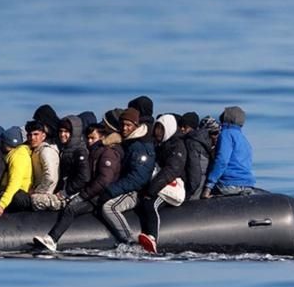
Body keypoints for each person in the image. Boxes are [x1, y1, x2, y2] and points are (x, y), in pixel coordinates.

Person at [33, 123, 123, 252]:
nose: (89, 141)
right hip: (91, 193)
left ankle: (52, 239)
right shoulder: (92, 152)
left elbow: (103, 180)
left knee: (71, 209)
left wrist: (83, 195)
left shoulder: (107, 154)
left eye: (93, 138)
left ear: (102, 137)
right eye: (88, 138)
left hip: (99, 196)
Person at [98, 107, 155, 245]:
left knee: (109, 207)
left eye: (128, 125)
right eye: (122, 124)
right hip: (125, 187)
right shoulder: (129, 142)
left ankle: (129, 241)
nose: (124, 128)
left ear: (136, 126)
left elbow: (138, 178)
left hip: (135, 192)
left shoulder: (141, 146)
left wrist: (110, 191)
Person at [136, 114, 187, 253]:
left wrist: (150, 190)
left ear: (168, 129)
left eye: (161, 129)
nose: (158, 132)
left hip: (169, 186)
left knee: (151, 204)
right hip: (158, 184)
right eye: (156, 128)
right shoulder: (158, 144)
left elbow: (171, 170)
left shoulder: (177, 146)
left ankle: (153, 238)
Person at [201, 106, 256, 198]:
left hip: (229, 183)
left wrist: (209, 186)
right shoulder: (243, 139)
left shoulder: (226, 134)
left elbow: (222, 160)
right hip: (247, 183)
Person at [54, 116, 91, 208]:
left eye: (66, 132)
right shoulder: (65, 149)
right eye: (60, 131)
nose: (62, 134)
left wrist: (66, 191)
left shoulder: (80, 151)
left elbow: (84, 177)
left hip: (72, 194)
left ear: (74, 133)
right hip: (64, 191)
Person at [26, 120, 61, 211]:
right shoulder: (36, 150)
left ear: (43, 136)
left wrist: (37, 192)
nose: (32, 138)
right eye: (30, 135)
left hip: (45, 197)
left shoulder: (46, 151)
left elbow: (50, 177)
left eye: (36, 134)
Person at [178, 112, 211, 200]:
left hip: (195, 186)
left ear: (191, 127)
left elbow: (194, 170)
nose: (182, 129)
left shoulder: (191, 143)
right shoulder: (202, 139)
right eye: (181, 126)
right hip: (203, 181)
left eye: (185, 127)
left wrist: (189, 192)